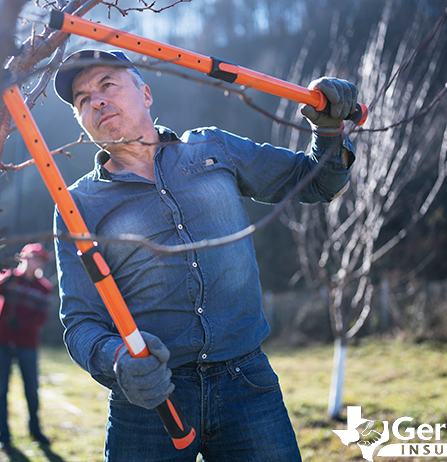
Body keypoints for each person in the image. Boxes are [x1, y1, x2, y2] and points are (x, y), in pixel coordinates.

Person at [52, 49, 358, 462]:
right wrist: (119, 360)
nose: (97, 101)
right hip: (150, 402)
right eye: (83, 100)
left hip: (247, 383)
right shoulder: (77, 204)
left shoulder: (213, 148)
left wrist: (330, 131)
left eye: (107, 85)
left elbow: (314, 183)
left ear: (145, 93)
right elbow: (80, 322)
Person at [0, 243, 53, 454]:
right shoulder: (8, 277)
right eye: (31, 258)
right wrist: (2, 281)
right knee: (1, 389)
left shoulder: (44, 288)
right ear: (23, 258)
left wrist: (21, 324)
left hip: (27, 343)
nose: (34, 262)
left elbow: (41, 318)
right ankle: (4, 436)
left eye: (38, 259)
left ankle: (35, 431)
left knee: (31, 389)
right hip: (1, 341)